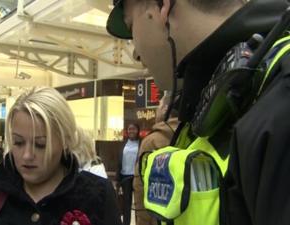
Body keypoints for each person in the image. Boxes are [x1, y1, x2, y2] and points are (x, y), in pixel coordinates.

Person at [107, 0, 290, 225]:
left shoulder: (279, 98)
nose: (135, 53)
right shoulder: (216, 102)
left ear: (162, 7)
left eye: (130, 25)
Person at [0, 87, 121, 225]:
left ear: (65, 141)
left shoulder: (97, 194)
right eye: (18, 142)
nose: (27, 155)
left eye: (41, 144)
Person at [133, 92, 179, 225]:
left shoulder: (152, 141)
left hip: (157, 218)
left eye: (159, 105)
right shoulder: (193, 135)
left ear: (166, 109)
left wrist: (142, 222)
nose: (157, 109)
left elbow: (140, 186)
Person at [117, 123, 140, 225]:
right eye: (129, 129)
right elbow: (119, 161)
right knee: (126, 204)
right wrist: (118, 178)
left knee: (139, 203)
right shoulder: (123, 144)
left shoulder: (142, 143)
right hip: (125, 177)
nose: (131, 131)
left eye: (134, 129)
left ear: (137, 130)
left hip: (137, 177)